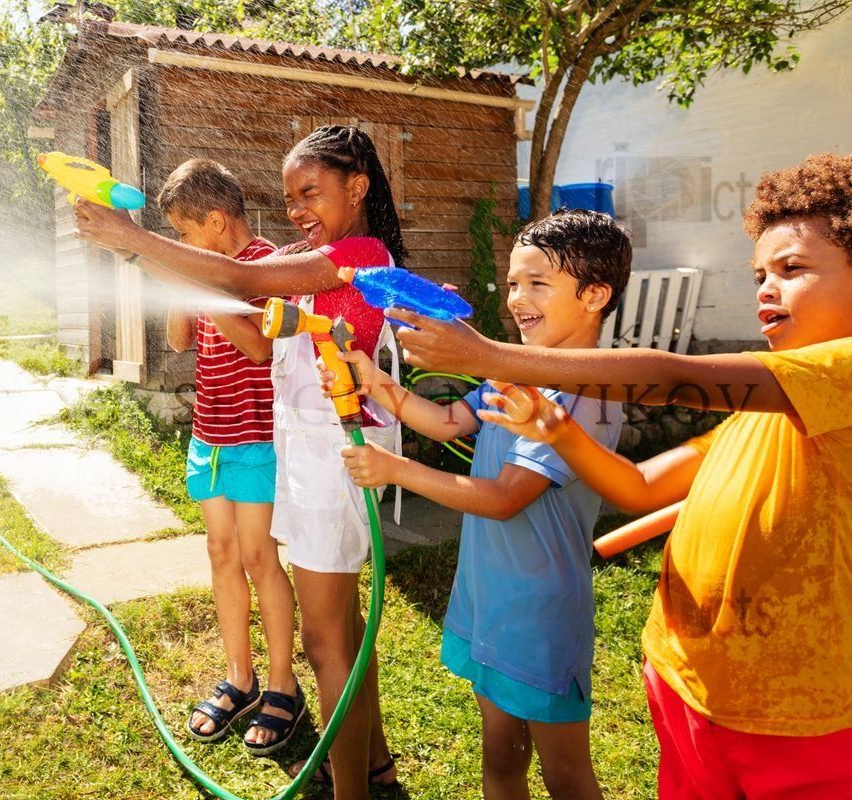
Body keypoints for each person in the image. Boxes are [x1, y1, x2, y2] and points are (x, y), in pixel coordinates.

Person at [396, 153, 852, 799]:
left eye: (793, 268)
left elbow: (670, 379)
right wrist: (555, 429)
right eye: (759, 274)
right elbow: (636, 488)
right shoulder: (756, 417)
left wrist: (489, 355)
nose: (766, 289)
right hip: (687, 683)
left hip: (794, 717)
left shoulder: (839, 373)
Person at [75, 125, 404, 798]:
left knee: (327, 644)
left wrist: (129, 236)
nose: (297, 210)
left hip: (334, 465)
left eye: (310, 192)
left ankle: (354, 793)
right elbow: (227, 281)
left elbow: (240, 276)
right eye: (289, 199)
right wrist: (141, 257)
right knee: (342, 633)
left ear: (358, 187)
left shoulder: (357, 253)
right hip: (318, 461)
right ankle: (376, 771)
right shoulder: (314, 256)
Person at [331, 209, 630, 799]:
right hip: (487, 596)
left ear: (595, 295)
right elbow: (445, 421)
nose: (518, 298)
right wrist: (369, 377)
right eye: (514, 282)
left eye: (538, 283)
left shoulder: (587, 393)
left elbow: (502, 499)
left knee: (566, 775)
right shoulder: (508, 372)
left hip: (540, 615)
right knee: (500, 758)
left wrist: (396, 470)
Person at [153, 158, 296, 753]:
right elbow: (178, 341)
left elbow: (261, 349)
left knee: (260, 557)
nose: (183, 244)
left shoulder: (267, 265)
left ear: (215, 221)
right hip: (209, 434)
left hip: (257, 435)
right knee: (220, 551)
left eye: (186, 234)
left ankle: (284, 686)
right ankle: (240, 676)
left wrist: (208, 288)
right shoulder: (201, 266)